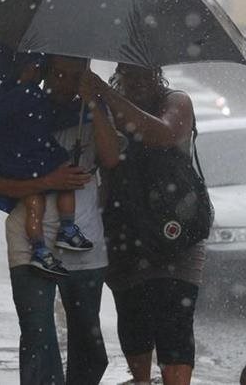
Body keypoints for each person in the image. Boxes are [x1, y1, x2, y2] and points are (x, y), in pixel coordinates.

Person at [0, 55, 120, 385]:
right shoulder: (17, 111)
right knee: (36, 335)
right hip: (29, 242)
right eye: (58, 73)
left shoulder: (93, 113)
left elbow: (112, 157)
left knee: (88, 337)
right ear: (45, 72)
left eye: (75, 75)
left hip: (82, 239)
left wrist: (93, 103)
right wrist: (47, 181)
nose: (65, 82)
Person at [81, 63, 205, 385]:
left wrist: (105, 93)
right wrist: (96, 102)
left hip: (175, 232)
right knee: (133, 317)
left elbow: (161, 134)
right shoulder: (105, 108)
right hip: (124, 232)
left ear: (157, 73)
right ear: (119, 73)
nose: (137, 81)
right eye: (129, 74)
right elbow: (103, 159)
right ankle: (141, 380)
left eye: (144, 73)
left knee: (175, 321)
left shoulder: (176, 102)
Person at [0, 45, 94, 276]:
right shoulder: (32, 96)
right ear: (27, 68)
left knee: (34, 205)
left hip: (13, 164)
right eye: (39, 66)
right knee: (68, 176)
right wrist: (87, 109)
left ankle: (40, 250)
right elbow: (54, 118)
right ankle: (67, 228)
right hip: (39, 158)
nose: (39, 70)